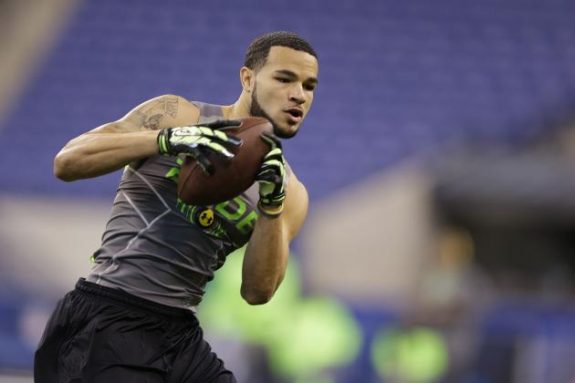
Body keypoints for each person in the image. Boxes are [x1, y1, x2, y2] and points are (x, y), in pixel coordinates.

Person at [34, 31, 319, 383]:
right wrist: (166, 140)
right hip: (107, 314)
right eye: (285, 78)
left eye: (309, 86)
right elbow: (67, 162)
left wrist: (271, 205)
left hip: (179, 333)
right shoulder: (177, 114)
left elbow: (257, 292)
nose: (299, 95)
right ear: (248, 78)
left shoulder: (290, 193)